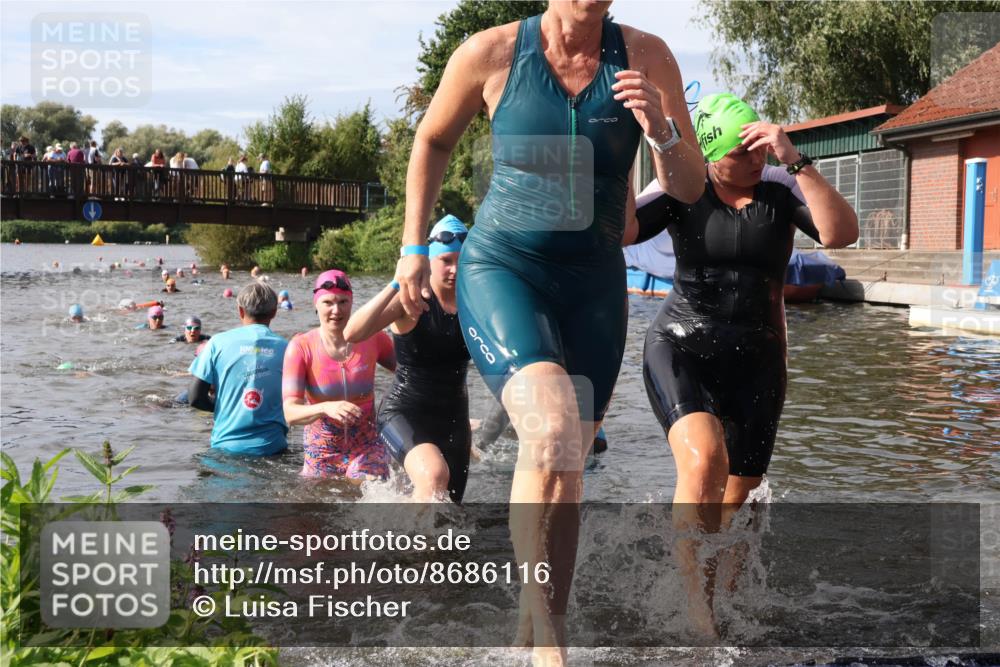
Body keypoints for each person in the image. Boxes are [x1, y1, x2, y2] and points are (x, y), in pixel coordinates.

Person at [393, 2, 704, 659]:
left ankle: (533, 624)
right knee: (555, 429)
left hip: (593, 285)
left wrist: (663, 133)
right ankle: (550, 644)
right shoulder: (493, 53)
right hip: (506, 267)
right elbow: (433, 140)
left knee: (562, 461)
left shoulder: (648, 56)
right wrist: (413, 248)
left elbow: (689, 185)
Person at [625, 92, 858, 635]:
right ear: (710, 155)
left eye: (759, 149)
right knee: (705, 461)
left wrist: (793, 158)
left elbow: (840, 233)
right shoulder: (683, 188)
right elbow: (622, 233)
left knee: (742, 498)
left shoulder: (779, 190)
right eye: (742, 153)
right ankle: (697, 613)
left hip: (758, 359)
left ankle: (730, 602)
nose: (755, 161)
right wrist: (620, 158)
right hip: (681, 345)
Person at [345, 215, 472, 503]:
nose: (454, 269)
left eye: (460, 261)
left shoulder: (475, 303)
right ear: (429, 261)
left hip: (454, 419)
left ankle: (410, 543)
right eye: (446, 261)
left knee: (450, 511)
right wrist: (397, 281)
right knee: (434, 476)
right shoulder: (411, 300)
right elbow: (353, 332)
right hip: (404, 412)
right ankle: (409, 548)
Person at [281, 270, 396, 479]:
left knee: (364, 482)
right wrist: (326, 407)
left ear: (352, 303)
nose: (336, 310)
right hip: (321, 452)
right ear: (316, 305)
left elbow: (411, 373)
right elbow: (290, 412)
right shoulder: (301, 347)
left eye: (343, 302)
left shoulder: (373, 338)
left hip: (367, 446)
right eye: (328, 303)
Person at [188, 282, 289, 456]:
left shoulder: (216, 343)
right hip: (273, 448)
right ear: (274, 312)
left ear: (240, 311)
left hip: (225, 448)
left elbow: (195, 398)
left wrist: (225, 407)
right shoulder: (287, 348)